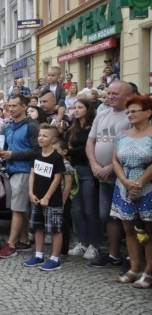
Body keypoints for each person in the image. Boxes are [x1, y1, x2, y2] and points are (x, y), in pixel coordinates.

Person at [86, 81, 132, 267]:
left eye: (115, 94)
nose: (110, 96)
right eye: (109, 93)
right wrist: (94, 164)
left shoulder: (131, 115)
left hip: (124, 176)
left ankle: (133, 257)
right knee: (107, 216)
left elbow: (132, 146)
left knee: (129, 217)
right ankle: (114, 254)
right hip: (102, 176)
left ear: (128, 96)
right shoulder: (102, 114)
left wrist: (111, 167)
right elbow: (91, 141)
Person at [110, 94, 152, 287]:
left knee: (148, 230)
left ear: (148, 112)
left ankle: (149, 272)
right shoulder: (122, 135)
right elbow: (115, 160)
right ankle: (135, 268)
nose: (130, 115)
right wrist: (126, 181)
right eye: (128, 112)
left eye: (134, 111)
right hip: (124, 186)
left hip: (148, 186)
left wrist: (140, 182)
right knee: (129, 229)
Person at [0, 95, 41, 258]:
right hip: (11, 170)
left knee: (17, 209)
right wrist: (2, 153)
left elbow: (37, 151)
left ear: (23, 106)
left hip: (25, 171)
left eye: (14, 106)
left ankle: (11, 244)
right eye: (9, 106)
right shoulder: (8, 127)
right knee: (20, 209)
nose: (11, 109)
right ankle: (24, 240)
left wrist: (13, 155)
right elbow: (8, 148)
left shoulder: (31, 126)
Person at [22, 125, 66, 271]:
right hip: (36, 198)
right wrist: (30, 192)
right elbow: (32, 174)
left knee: (55, 229)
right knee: (38, 227)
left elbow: (57, 179)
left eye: (45, 136)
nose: (41, 138)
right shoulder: (36, 154)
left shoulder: (57, 157)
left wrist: (47, 197)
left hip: (52, 200)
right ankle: (38, 254)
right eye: (40, 135)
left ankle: (55, 258)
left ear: (53, 140)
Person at [66, 99, 99, 259]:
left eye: (80, 107)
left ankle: (94, 244)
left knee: (90, 209)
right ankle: (82, 242)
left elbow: (88, 148)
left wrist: (71, 151)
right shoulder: (72, 128)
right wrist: (72, 150)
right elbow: (66, 146)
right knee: (77, 210)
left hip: (87, 170)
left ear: (88, 109)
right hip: (74, 170)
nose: (76, 110)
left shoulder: (93, 128)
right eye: (74, 107)